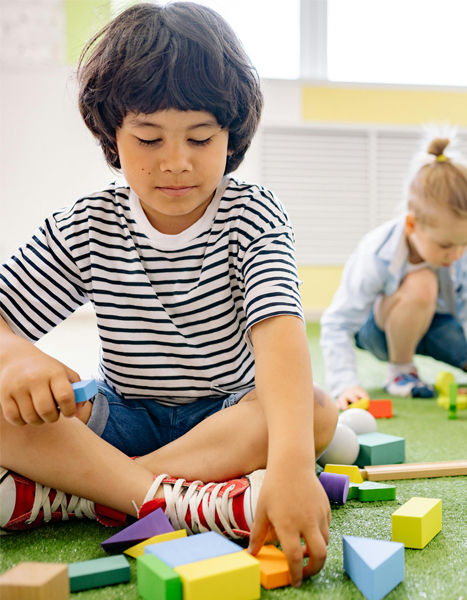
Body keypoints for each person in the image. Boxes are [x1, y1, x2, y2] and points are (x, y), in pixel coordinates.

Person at [0, 2, 336, 587]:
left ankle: (86, 494)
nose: (176, 163)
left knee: (311, 411)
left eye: (200, 138)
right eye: (150, 138)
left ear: (230, 135)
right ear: (112, 134)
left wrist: (290, 467)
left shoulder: (250, 214)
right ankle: (168, 499)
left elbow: (279, 337)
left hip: (224, 419)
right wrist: (17, 356)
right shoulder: (87, 223)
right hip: (119, 413)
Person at [321, 135, 467, 409]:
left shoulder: (462, 251)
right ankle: (401, 371)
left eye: (465, 243)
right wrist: (345, 383)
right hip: (381, 331)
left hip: (436, 325)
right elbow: (338, 323)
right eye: (446, 245)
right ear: (411, 224)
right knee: (423, 283)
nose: (457, 254)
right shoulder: (377, 252)